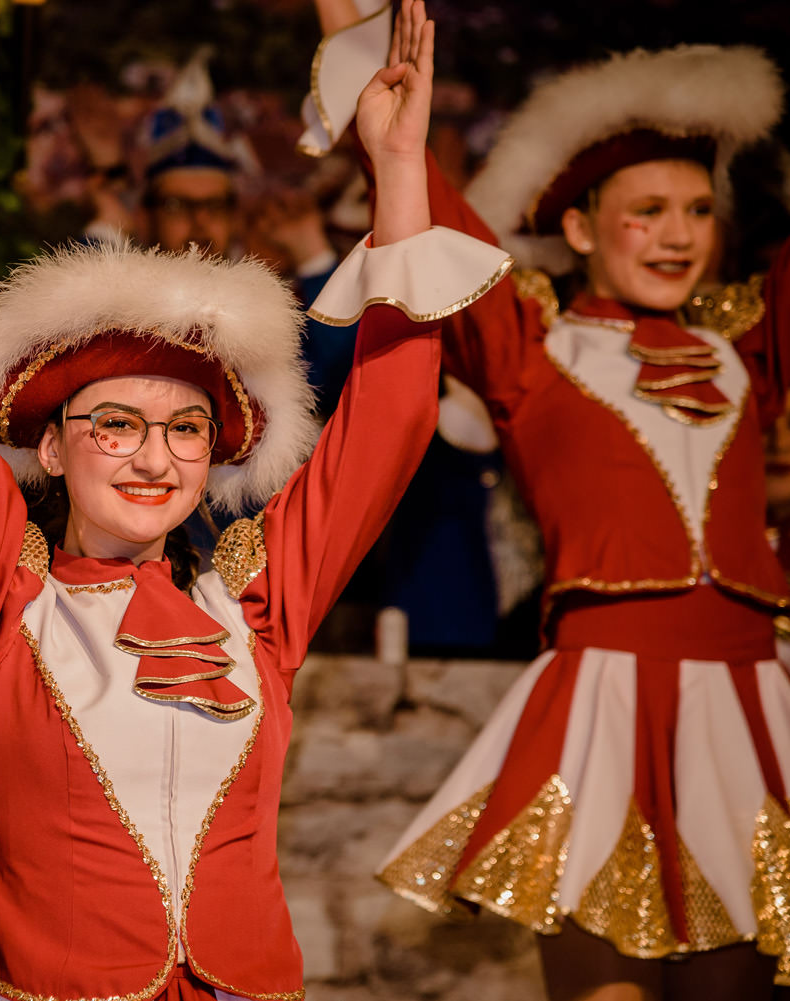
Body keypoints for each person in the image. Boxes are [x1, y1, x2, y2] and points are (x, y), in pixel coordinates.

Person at [0, 1, 506, 997]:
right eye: (116, 424)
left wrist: (396, 171)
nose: (154, 457)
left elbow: (390, 420)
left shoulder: (256, 606)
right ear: (51, 445)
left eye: (186, 429)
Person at [303, 3, 790, 997]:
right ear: (578, 227)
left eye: (698, 210)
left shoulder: (745, 348)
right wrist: (361, 62)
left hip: (749, 700)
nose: (678, 235)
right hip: (601, 700)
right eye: (647, 210)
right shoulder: (536, 347)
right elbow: (434, 221)